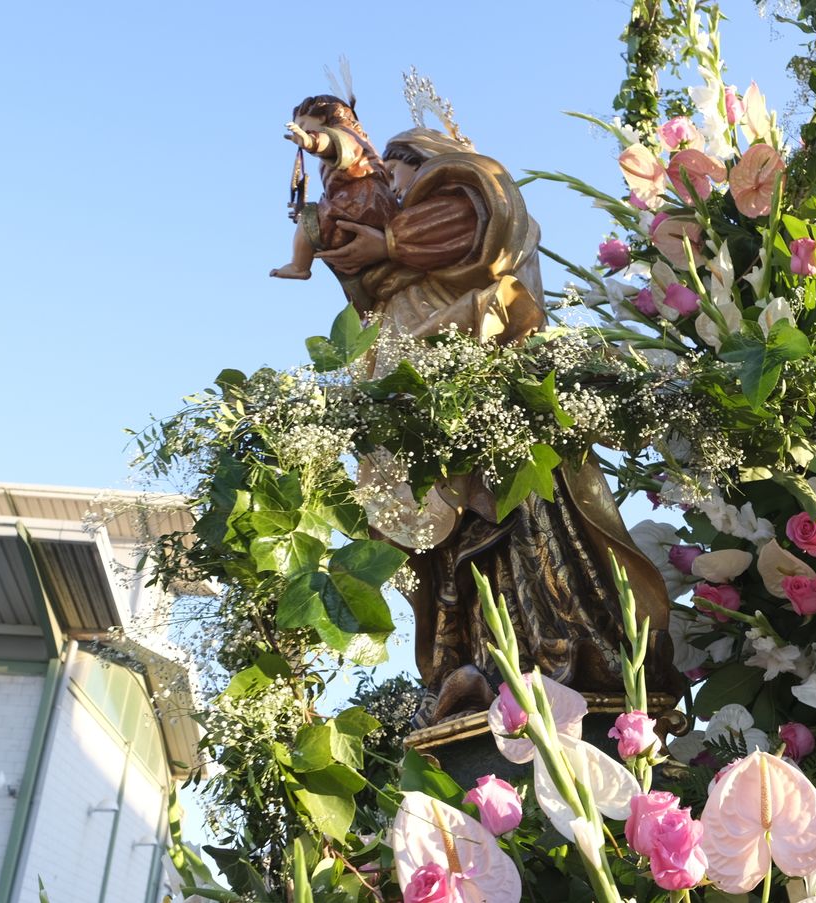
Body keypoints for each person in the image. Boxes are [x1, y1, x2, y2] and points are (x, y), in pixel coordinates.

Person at [317, 128, 682, 728]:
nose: (400, 204)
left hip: (510, 426)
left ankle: (564, 656)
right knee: (464, 564)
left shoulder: (479, 209)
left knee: (536, 543)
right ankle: (483, 670)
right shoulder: (404, 280)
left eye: (405, 185)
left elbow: (476, 234)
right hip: (445, 441)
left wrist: (389, 238)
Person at [270, 95, 399, 281]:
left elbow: (333, 142)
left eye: (304, 125)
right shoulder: (354, 142)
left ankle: (299, 266)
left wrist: (311, 141)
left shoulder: (347, 135)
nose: (302, 132)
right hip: (368, 202)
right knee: (308, 217)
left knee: (311, 216)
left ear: (321, 118)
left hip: (363, 202)